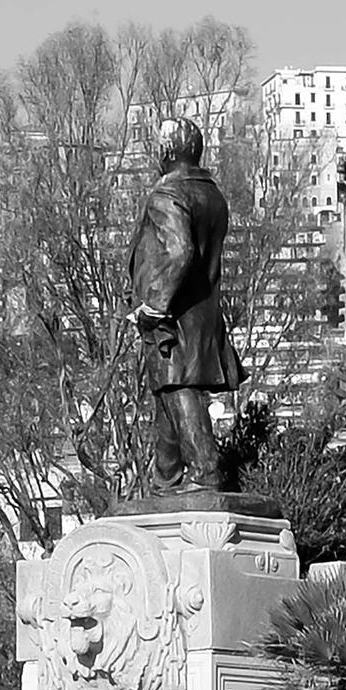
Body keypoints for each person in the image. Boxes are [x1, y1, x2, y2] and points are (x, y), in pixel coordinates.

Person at [127, 117, 245, 496]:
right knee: (168, 391)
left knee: (178, 388)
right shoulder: (211, 195)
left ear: (165, 151)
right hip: (202, 315)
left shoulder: (168, 195)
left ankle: (205, 471)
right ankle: (166, 479)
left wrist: (154, 305)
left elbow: (180, 251)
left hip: (173, 318)